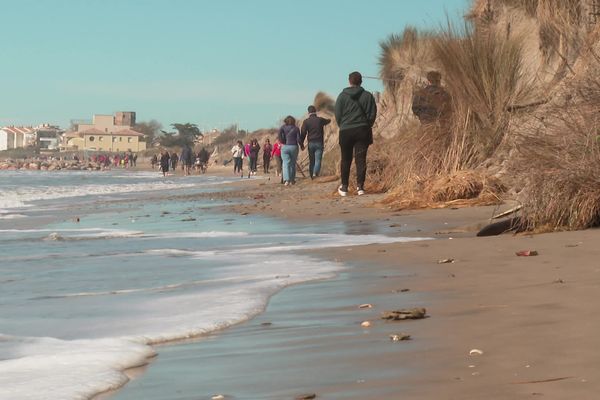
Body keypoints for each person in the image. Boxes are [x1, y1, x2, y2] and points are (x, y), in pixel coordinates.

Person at [334, 71, 377, 197]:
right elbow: (372, 113)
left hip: (346, 131)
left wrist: (343, 125)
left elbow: (338, 114)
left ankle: (345, 187)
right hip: (362, 130)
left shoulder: (342, 96)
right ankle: (360, 187)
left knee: (346, 159)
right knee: (361, 159)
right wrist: (367, 124)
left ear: (349, 81)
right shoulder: (368, 96)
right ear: (361, 81)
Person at [301, 105, 331, 179]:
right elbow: (327, 121)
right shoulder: (320, 120)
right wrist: (330, 117)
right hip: (319, 142)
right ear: (315, 111)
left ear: (308, 112)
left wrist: (301, 144)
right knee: (318, 159)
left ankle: (311, 175)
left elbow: (303, 133)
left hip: (311, 143)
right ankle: (315, 173)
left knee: (312, 160)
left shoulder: (306, 121)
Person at [279, 116, 303, 186]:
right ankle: (292, 180)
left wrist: (282, 141)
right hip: (294, 146)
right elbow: (298, 139)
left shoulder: (283, 127)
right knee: (292, 163)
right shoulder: (296, 128)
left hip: (285, 146)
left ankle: (286, 180)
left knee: (285, 163)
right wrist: (302, 146)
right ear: (293, 121)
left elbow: (279, 135)